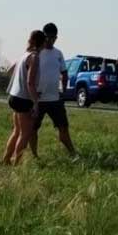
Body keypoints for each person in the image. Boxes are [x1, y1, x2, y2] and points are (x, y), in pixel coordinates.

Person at [30, 23, 78, 159]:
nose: (50, 40)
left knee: (63, 127)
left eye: (53, 38)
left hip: (55, 99)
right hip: (38, 100)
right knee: (33, 129)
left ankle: (73, 153)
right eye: (48, 37)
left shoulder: (58, 53)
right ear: (43, 37)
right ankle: (34, 155)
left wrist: (63, 90)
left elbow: (64, 72)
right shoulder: (36, 53)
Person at [2, 30, 45, 165]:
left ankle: (6, 160)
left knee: (17, 131)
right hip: (23, 99)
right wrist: (36, 103)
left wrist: (18, 82)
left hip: (14, 96)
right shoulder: (34, 57)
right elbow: (30, 83)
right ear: (42, 43)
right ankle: (16, 164)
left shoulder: (23, 55)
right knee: (25, 134)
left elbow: (9, 71)